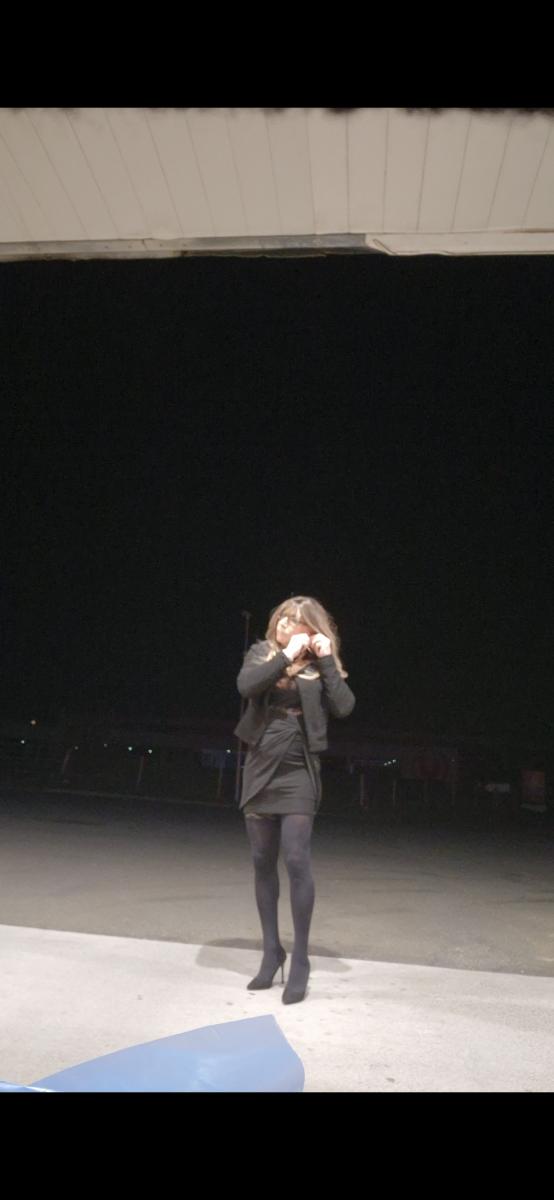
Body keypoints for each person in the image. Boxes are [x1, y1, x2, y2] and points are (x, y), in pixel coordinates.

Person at [235, 595, 355, 1005]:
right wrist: (285, 656)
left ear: (312, 628)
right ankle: (272, 951)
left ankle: (300, 959)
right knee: (261, 860)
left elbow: (343, 706)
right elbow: (246, 687)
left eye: (296, 620)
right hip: (261, 762)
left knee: (297, 858)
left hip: (299, 767)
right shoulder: (263, 653)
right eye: (283, 617)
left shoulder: (320, 665)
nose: (286, 623)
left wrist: (325, 660)